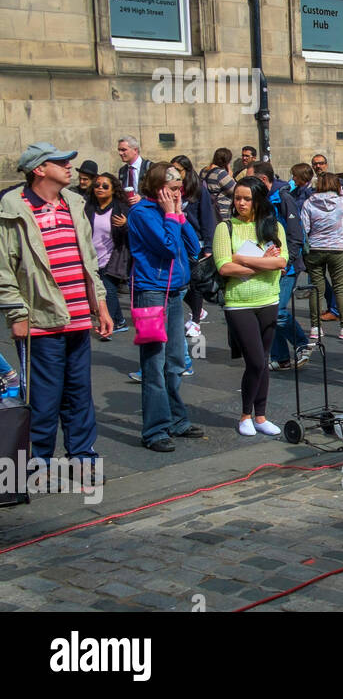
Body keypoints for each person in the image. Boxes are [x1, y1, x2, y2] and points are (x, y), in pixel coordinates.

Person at [0, 144, 114, 468]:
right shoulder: (13, 208)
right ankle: (40, 462)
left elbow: (89, 262)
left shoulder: (75, 203)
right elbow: (4, 269)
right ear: (39, 169)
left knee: (79, 395)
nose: (69, 166)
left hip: (78, 316)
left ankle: (82, 456)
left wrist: (101, 307)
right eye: (61, 162)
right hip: (42, 320)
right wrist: (17, 315)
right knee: (45, 398)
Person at [128, 163, 204, 452]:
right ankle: (155, 429)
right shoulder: (142, 214)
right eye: (172, 189)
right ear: (158, 188)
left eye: (179, 189)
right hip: (151, 293)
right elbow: (168, 248)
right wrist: (171, 216)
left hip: (174, 292)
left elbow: (193, 247)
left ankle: (175, 418)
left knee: (175, 360)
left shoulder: (170, 212)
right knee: (154, 362)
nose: (177, 193)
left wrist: (179, 216)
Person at [214, 178, 287, 435]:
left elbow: (281, 263)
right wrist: (260, 262)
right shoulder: (225, 228)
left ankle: (261, 416)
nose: (241, 203)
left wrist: (241, 259)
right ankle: (245, 415)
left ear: (258, 201)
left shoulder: (274, 227)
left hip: (269, 299)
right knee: (255, 361)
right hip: (239, 303)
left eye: (246, 198)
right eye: (237, 198)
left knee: (263, 360)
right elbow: (224, 267)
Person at [252, 162, 310, 371]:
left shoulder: (283, 198)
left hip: (287, 266)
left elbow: (296, 234)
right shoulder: (258, 200)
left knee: (277, 311)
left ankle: (303, 344)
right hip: (266, 263)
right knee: (268, 311)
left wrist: (288, 260)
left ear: (263, 180)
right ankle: (281, 357)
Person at [301, 171, 343, 340]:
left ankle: (315, 328)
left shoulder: (309, 203)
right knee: (340, 288)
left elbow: (304, 228)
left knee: (316, 289)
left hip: (315, 249)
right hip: (338, 248)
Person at [171, 155, 216, 344]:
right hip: (177, 240)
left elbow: (207, 218)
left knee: (195, 283)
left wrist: (208, 245)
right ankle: (198, 309)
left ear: (186, 172)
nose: (174, 174)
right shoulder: (171, 190)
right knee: (181, 283)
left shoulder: (198, 190)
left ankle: (196, 320)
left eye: (178, 171)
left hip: (195, 240)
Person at [85, 173, 130, 336]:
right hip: (92, 256)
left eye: (105, 186)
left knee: (108, 289)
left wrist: (126, 224)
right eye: (97, 185)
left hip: (113, 256)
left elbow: (133, 231)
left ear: (113, 190)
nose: (100, 188)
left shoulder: (121, 208)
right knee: (104, 290)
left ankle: (106, 327)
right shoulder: (88, 207)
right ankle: (119, 320)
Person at [201, 148, 238, 222]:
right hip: (221, 212)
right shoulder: (220, 173)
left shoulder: (204, 171)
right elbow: (236, 190)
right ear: (227, 161)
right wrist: (230, 176)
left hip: (208, 209)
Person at [116, 136, 150, 206]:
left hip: (146, 210)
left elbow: (158, 191)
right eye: (119, 150)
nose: (120, 153)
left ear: (135, 150)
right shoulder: (122, 170)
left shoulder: (150, 167)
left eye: (123, 150)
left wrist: (142, 197)